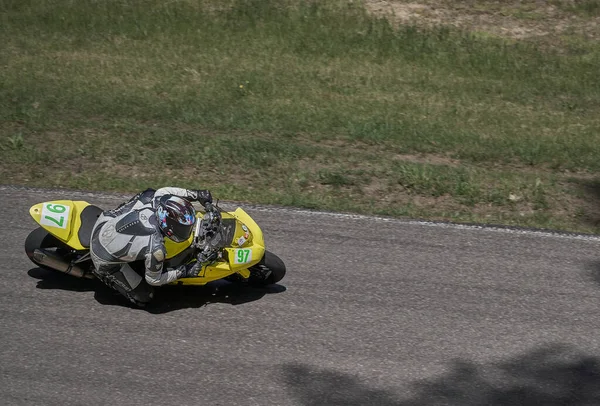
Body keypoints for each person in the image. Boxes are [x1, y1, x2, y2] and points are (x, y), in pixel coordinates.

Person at [89, 187, 214, 307]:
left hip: (106, 220)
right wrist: (185, 271)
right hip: (101, 254)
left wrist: (197, 194)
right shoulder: (156, 249)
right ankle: (105, 274)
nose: (187, 230)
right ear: (169, 227)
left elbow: (165, 191)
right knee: (145, 296)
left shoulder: (159, 202)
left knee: (150, 193)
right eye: (183, 228)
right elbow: (154, 280)